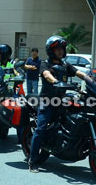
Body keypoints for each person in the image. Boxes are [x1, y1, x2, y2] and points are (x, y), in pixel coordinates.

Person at [29, 36, 92, 173]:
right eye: (57, 49)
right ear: (51, 50)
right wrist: (55, 81)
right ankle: (32, 161)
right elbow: (46, 75)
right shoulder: (45, 64)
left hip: (62, 100)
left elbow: (78, 73)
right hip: (47, 101)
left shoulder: (65, 65)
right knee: (40, 128)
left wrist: (90, 79)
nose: (60, 51)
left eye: (61, 49)